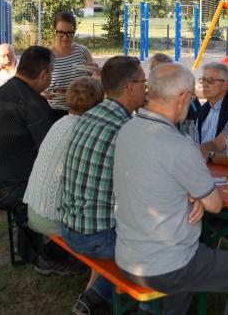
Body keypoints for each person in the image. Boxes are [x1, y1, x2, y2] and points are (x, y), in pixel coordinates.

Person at [114, 63, 228, 315]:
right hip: (167, 266)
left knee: (192, 251)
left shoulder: (128, 129)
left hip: (127, 256)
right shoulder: (178, 145)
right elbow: (215, 205)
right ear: (184, 97)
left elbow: (155, 179)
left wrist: (190, 194)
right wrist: (196, 195)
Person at [0, 46, 83, 276]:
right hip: (6, 187)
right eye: (51, 74)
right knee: (70, 192)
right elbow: (50, 149)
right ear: (44, 75)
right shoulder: (32, 102)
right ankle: (46, 256)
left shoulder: (8, 90)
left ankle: (29, 249)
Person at [60, 56, 147, 314]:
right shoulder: (126, 129)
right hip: (96, 236)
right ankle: (150, 308)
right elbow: (145, 190)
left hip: (69, 227)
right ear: (130, 87)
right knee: (160, 248)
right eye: (144, 83)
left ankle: (91, 301)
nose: (147, 88)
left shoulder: (90, 114)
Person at [22, 77, 104, 235]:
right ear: (99, 102)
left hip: (33, 209)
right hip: (55, 218)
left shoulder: (60, 123)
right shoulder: (86, 131)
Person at [46, 11, 95, 120]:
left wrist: (97, 73)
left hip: (82, 110)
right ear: (54, 31)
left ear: (74, 31)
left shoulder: (83, 51)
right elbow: (36, 85)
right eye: (61, 33)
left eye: (69, 33)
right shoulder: (46, 55)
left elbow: (94, 80)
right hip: (55, 111)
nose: (65, 37)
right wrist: (41, 94)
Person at [196, 62, 228, 143]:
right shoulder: (203, 109)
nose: (204, 84)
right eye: (203, 80)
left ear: (225, 85)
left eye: (210, 80)